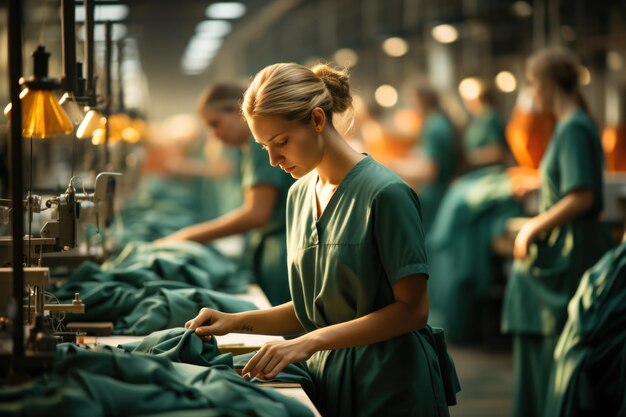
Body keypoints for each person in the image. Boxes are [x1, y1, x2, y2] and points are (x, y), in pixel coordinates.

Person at [185, 63, 457, 417]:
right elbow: (315, 310)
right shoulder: (298, 196)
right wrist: (234, 321)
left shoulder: (386, 194)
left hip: (389, 383)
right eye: (264, 146)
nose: (273, 159)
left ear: (317, 120)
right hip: (328, 376)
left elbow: (412, 311)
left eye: (281, 142)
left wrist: (311, 341)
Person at [501, 48, 612, 417]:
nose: (531, 93)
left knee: (556, 347)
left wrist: (533, 225)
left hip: (572, 250)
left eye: (532, 84)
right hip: (566, 246)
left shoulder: (574, 127)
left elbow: (582, 196)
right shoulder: (569, 126)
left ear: (547, 84)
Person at [158, 83, 294, 306]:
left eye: (215, 124)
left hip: (282, 254)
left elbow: (256, 214)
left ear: (236, 111)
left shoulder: (259, 147)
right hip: (272, 249)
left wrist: (188, 236)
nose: (214, 134)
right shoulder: (247, 149)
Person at [391, 85, 457, 233]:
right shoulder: (439, 121)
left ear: (421, 101)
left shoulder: (434, 126)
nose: (411, 106)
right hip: (442, 193)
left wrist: (394, 167)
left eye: (412, 101)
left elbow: (430, 171)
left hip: (436, 197)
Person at [462, 80, 510, 169]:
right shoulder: (476, 121)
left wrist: (472, 157)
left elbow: (498, 152)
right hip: (476, 173)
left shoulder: (490, 118)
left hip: (492, 172)